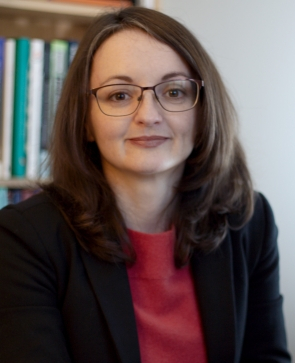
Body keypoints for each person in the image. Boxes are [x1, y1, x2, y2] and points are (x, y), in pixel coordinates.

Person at [0, 6, 291, 363]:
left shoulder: (248, 219)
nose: (148, 115)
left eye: (173, 92)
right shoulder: (24, 239)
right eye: (119, 95)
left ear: (202, 111)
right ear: (86, 122)